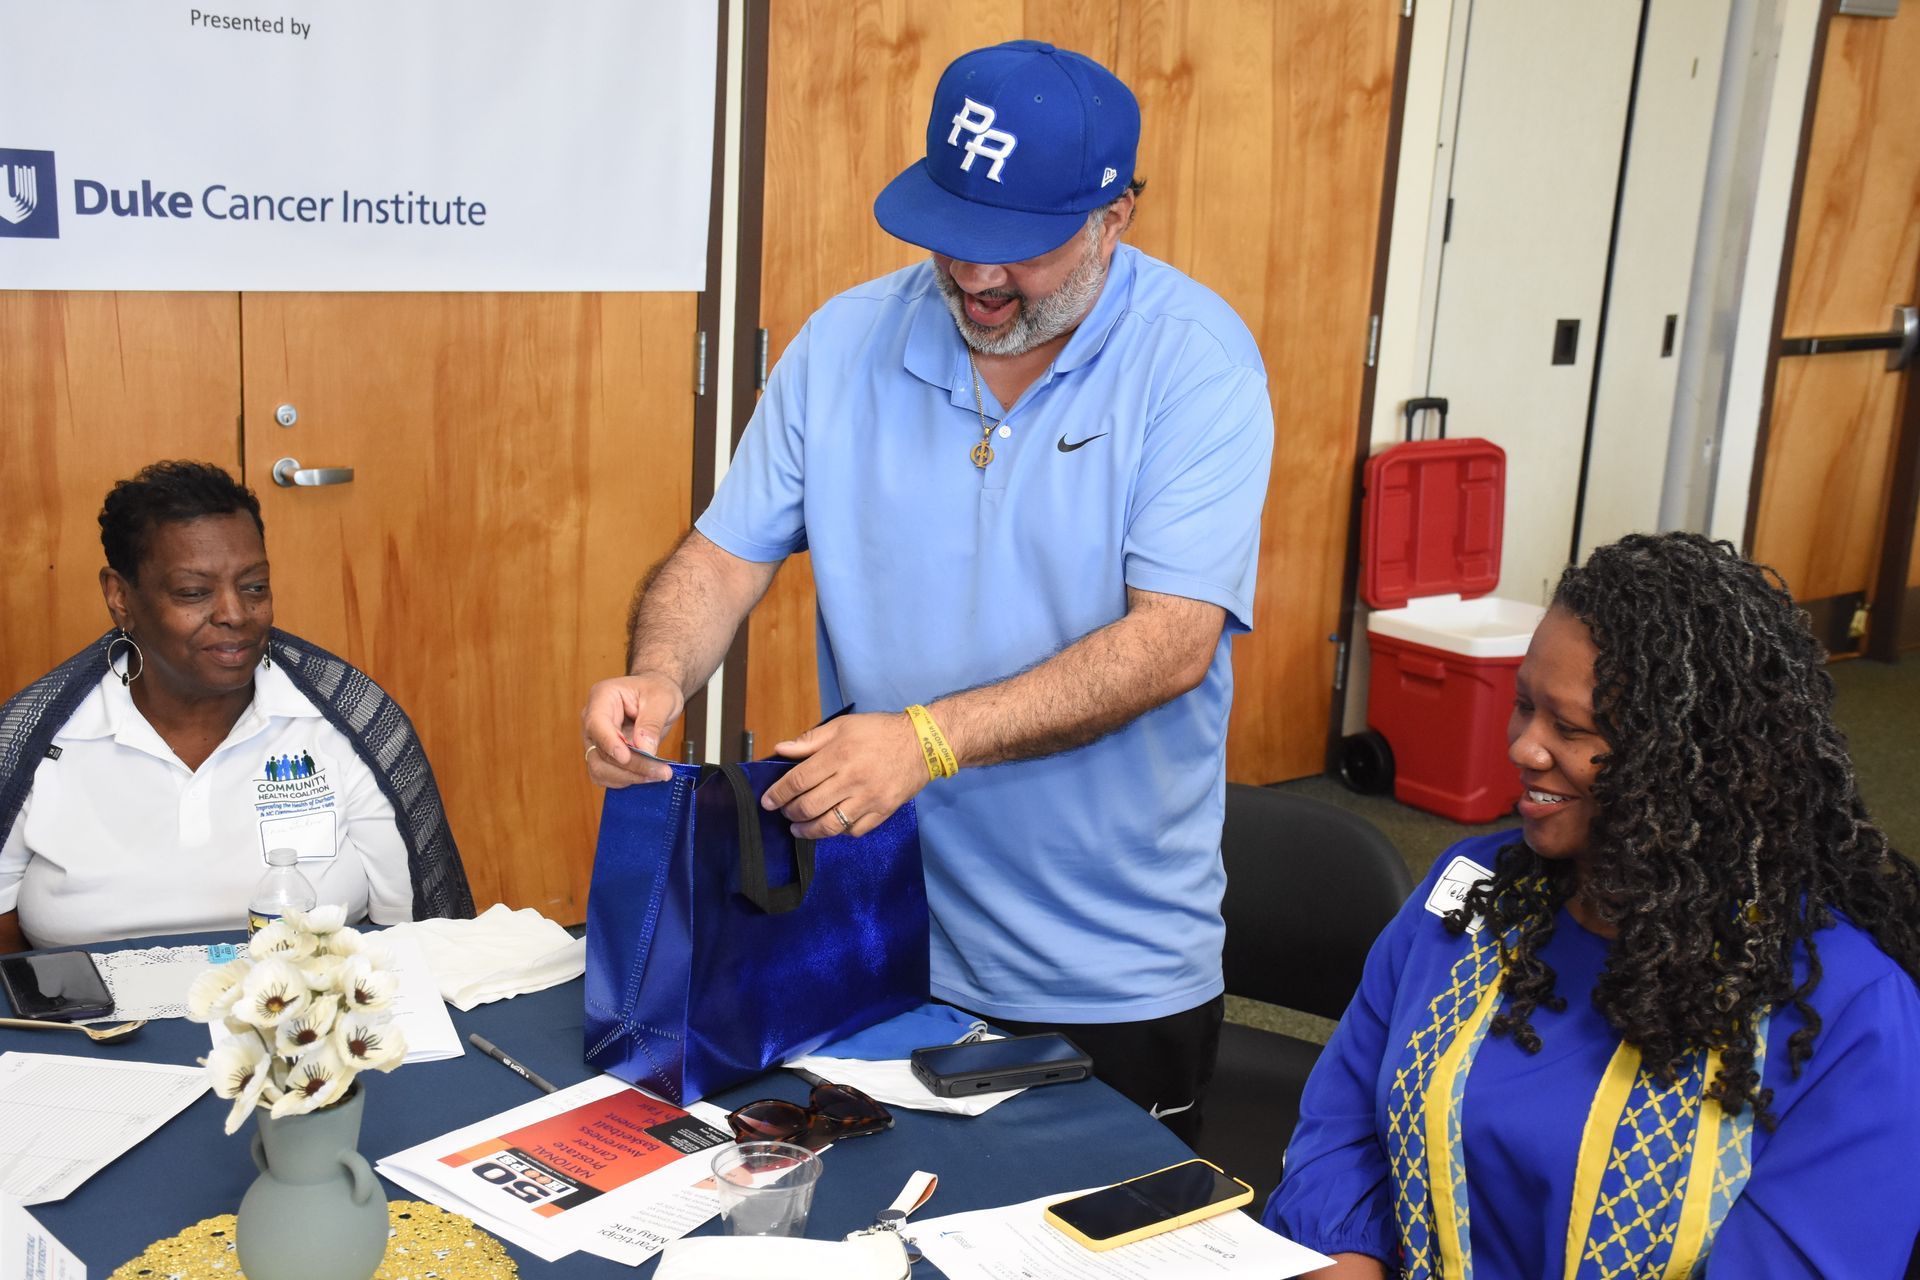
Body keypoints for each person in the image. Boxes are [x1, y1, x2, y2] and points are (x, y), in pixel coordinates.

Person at [581, 40, 1273, 1140]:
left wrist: (928, 739)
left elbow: (1172, 643)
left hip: (1104, 967)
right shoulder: (847, 338)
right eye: (956, 240)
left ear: (1117, 216)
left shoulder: (1197, 365)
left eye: (1022, 251)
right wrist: (658, 675)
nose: (980, 281)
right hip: (870, 930)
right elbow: (722, 555)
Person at [1265, 532, 1920, 1277]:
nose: (1524, 748)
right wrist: (1345, 1259)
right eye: (1523, 705)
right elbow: (1343, 1120)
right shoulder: (1473, 888)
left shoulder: (1846, 1011)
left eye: (1570, 730)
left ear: (1685, 760)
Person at [0, 461, 475, 952]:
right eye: (193, 592)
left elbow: (419, 934)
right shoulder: (30, 739)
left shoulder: (353, 722)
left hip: (301, 1019)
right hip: (93, 1025)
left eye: (254, 587)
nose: (234, 614)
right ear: (120, 597)